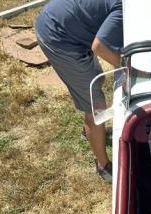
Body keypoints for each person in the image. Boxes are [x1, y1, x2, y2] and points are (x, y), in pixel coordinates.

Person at [36, 0, 123, 182]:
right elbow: (100, 47)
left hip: (65, 21)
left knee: (96, 80)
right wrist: (131, 68)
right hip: (58, 36)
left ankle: (91, 133)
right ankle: (103, 167)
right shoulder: (125, 7)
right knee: (95, 105)